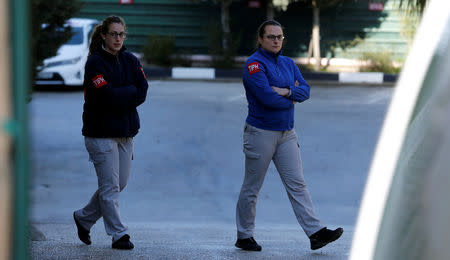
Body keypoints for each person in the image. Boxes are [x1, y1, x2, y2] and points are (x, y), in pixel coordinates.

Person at [235, 20, 343, 252]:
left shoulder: (288, 63)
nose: (276, 40)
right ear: (260, 39)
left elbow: (306, 90)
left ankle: (315, 233)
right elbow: (266, 98)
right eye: (271, 36)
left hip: (286, 134)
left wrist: (286, 91)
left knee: (298, 184)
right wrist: (292, 97)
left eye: (280, 37)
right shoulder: (254, 65)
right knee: (252, 187)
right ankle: (244, 236)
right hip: (260, 133)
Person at [73, 15, 148, 250]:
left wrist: (120, 94)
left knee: (119, 184)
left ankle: (84, 217)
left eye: (121, 34)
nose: (118, 38)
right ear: (104, 35)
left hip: (126, 133)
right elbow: (106, 96)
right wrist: (128, 93)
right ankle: (119, 234)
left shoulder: (130, 60)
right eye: (113, 34)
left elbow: (143, 90)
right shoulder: (95, 63)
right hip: (100, 134)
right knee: (110, 187)